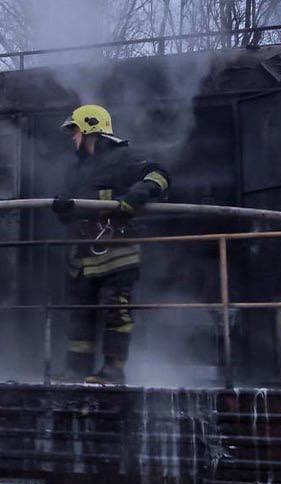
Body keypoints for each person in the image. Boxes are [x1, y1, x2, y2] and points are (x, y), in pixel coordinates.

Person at [53, 104, 170, 384]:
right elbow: (67, 202)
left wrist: (132, 198)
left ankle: (113, 370)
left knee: (115, 310)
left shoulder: (124, 157)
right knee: (79, 315)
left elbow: (159, 176)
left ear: (90, 128)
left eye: (76, 131)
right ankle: (76, 370)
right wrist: (61, 206)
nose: (73, 138)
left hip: (117, 252)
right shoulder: (77, 170)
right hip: (82, 257)